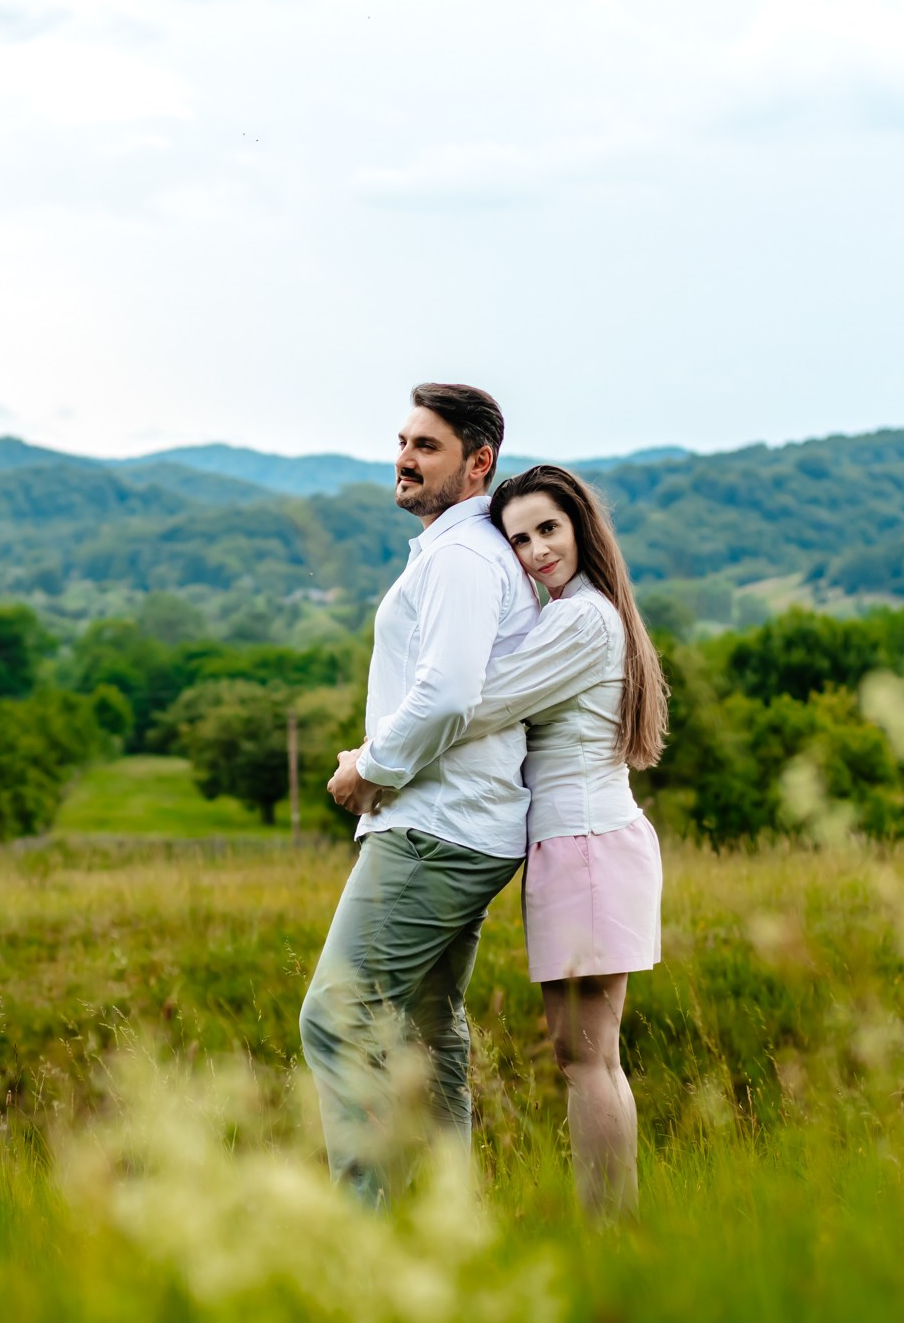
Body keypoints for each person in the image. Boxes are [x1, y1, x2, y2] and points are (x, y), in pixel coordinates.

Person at [305, 382, 539, 1206]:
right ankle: (447, 1226)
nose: (404, 459)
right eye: (402, 441)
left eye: (426, 446)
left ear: (479, 464)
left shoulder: (464, 557)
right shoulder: (456, 551)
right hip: (462, 824)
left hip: (437, 829)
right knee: (428, 1028)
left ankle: (361, 1240)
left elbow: (446, 693)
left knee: (336, 1016)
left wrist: (371, 766)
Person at [470, 463, 670, 1217]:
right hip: (582, 843)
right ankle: (612, 1231)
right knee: (586, 1055)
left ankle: (608, 1236)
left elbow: (489, 700)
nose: (534, 551)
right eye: (518, 539)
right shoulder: (577, 612)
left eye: (547, 529)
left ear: (580, 526)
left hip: (585, 845)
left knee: (586, 1059)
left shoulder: (584, 618)